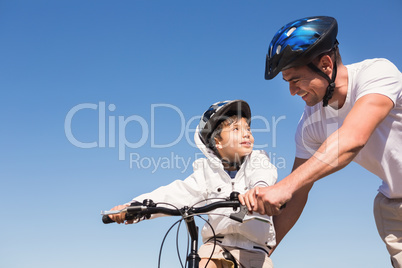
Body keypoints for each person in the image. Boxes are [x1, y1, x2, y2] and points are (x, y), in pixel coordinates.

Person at [239, 16, 402, 267]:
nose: (292, 91)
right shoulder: (309, 125)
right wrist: (259, 253)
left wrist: (285, 186)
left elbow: (352, 138)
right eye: (287, 83)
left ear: (326, 64)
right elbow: (297, 195)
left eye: (296, 79)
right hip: (394, 205)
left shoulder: (376, 73)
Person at [107, 100, 278, 268]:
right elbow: (176, 193)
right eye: (236, 129)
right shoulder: (206, 173)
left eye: (248, 128)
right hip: (216, 246)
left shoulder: (257, 160)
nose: (247, 133)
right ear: (217, 142)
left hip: (254, 250)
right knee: (203, 264)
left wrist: (259, 191)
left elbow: (263, 175)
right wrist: (134, 207)